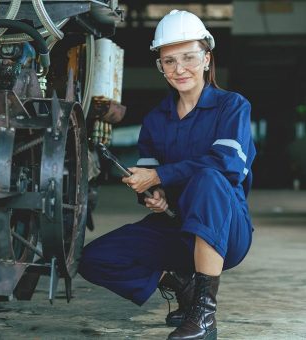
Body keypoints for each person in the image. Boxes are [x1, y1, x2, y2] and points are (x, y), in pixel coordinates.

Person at [78, 9, 256, 340]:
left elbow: (228, 165)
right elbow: (149, 179)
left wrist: (159, 176)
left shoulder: (232, 107)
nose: (179, 69)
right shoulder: (156, 119)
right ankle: (180, 285)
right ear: (161, 67)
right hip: (176, 226)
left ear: (206, 58)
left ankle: (203, 316)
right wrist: (150, 195)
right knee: (93, 259)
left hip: (226, 232)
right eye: (169, 61)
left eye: (188, 57)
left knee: (209, 178)